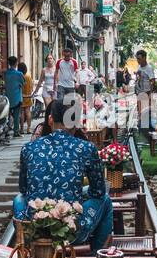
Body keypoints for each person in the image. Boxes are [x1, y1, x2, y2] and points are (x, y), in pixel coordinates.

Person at [14, 99, 113, 250]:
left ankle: (26, 245)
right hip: (71, 232)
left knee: (19, 198)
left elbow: (24, 189)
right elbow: (98, 191)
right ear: (76, 122)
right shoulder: (86, 148)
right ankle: (95, 255)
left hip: (37, 228)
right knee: (105, 199)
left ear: (50, 119)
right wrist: (77, 195)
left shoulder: (29, 148)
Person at [1, 56, 24, 137]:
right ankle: (16, 132)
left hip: (7, 98)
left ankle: (6, 132)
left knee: (6, 116)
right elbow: (23, 83)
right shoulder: (19, 74)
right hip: (17, 98)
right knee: (16, 116)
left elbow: (5, 83)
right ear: (16, 63)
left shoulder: (6, 73)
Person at [133, 50, 155, 129]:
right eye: (137, 59)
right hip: (139, 93)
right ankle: (141, 128)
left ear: (144, 58)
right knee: (140, 112)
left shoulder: (149, 68)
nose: (138, 61)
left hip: (146, 93)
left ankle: (148, 132)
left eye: (139, 59)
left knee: (145, 112)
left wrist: (150, 95)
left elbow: (152, 81)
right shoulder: (139, 67)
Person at [54, 48, 79, 112]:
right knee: (60, 101)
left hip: (70, 85)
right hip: (61, 84)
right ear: (63, 54)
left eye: (68, 56)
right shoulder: (59, 61)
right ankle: (60, 117)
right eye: (65, 56)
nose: (67, 57)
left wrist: (77, 82)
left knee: (69, 103)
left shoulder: (74, 62)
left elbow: (77, 72)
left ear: (71, 55)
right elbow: (56, 72)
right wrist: (55, 83)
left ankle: (68, 116)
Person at [19, 62, 33, 131]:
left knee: (22, 112)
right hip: (28, 96)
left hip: (21, 96)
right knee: (28, 111)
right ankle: (29, 128)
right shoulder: (28, 76)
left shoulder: (19, 76)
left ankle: (21, 129)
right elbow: (31, 86)